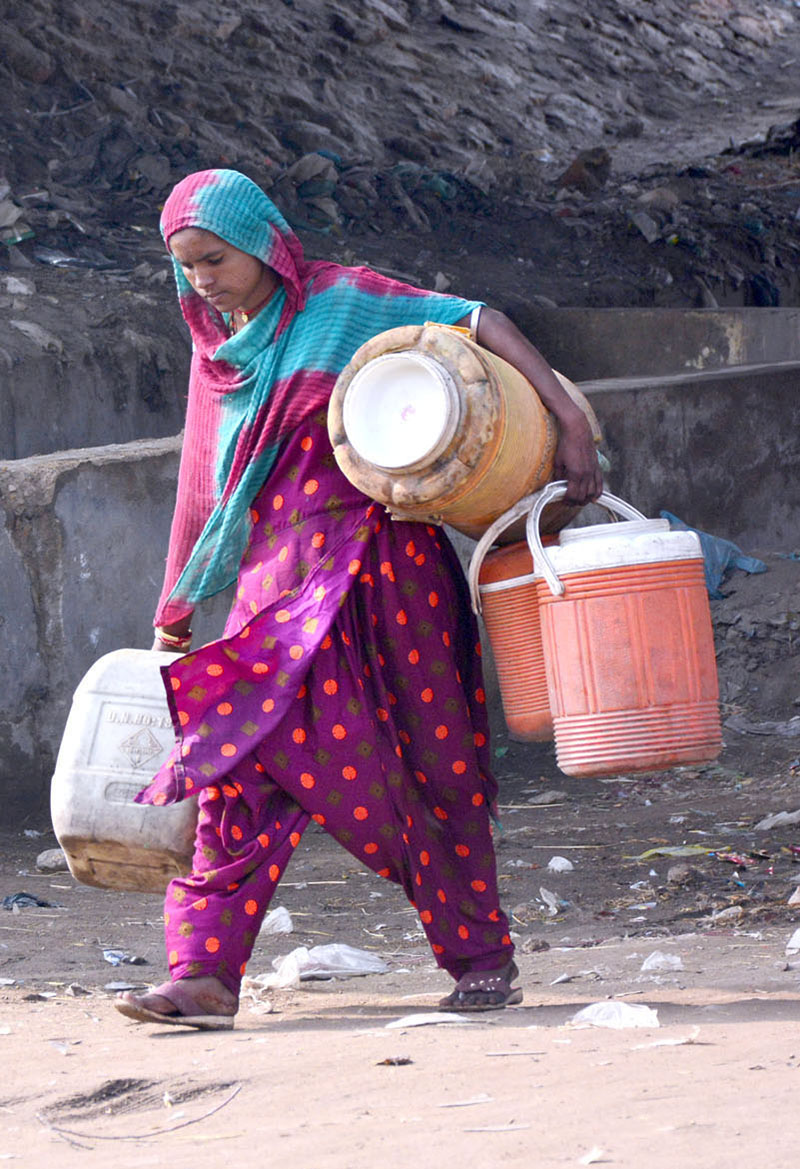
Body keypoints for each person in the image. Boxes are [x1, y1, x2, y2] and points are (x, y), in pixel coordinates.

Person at [116, 168, 601, 1030]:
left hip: (387, 575)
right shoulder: (218, 358)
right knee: (236, 770)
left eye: (216, 259)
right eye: (187, 267)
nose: (203, 282)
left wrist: (566, 415)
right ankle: (203, 975)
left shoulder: (346, 304)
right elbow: (202, 484)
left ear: (263, 243)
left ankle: (481, 961)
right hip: (274, 592)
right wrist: (176, 606)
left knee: (431, 763)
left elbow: (474, 318)